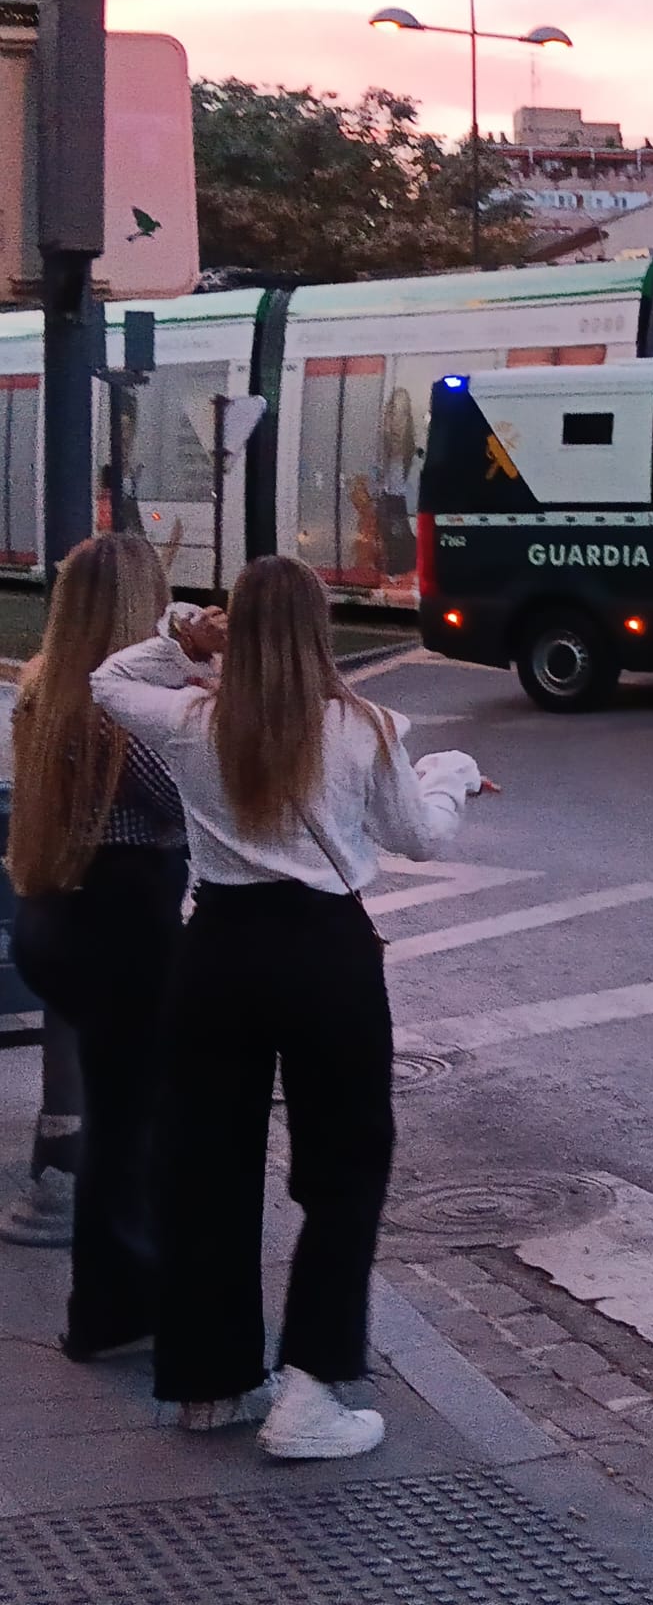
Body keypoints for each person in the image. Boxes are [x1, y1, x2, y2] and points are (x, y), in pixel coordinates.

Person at [91, 554, 491, 1459]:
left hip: (218, 950)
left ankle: (211, 1382)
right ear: (318, 633)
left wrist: (177, 637)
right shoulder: (369, 727)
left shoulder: (191, 718)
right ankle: (311, 1390)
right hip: (326, 958)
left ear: (239, 629)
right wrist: (452, 774)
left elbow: (106, 681)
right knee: (344, 1170)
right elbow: (420, 837)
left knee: (206, 1168)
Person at [7, 534, 187, 1362]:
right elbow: (187, 802)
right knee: (131, 1123)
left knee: (121, 1113)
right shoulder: (114, 705)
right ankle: (115, 1306)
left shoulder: (43, 683)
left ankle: (113, 1301)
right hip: (121, 917)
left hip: (54, 912)